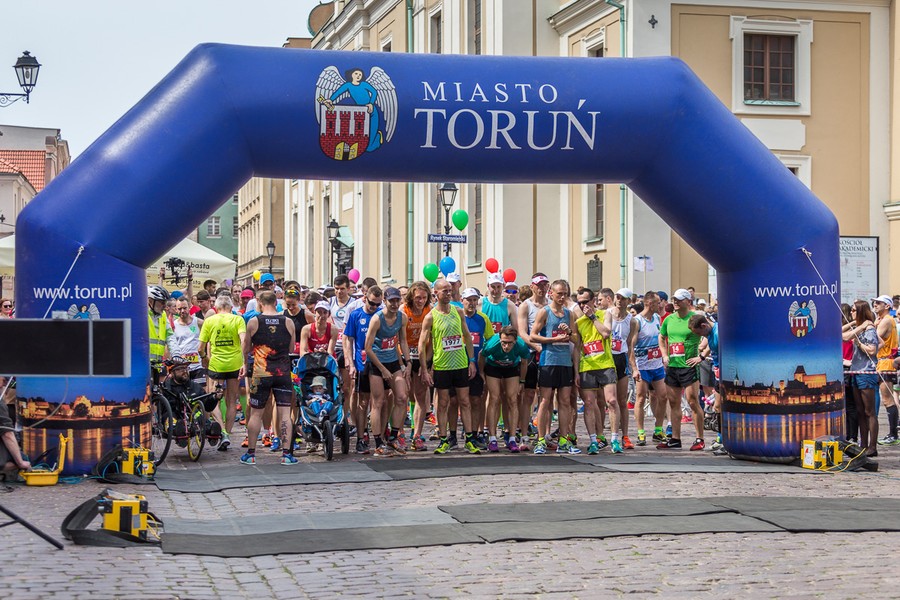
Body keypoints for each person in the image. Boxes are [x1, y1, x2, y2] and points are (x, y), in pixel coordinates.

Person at [419, 279, 480, 454]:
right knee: (443, 403)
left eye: (449, 290)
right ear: (435, 294)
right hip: (442, 366)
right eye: (444, 291)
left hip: (460, 363)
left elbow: (467, 337)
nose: (448, 293)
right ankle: (444, 439)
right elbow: (422, 344)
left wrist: (472, 361)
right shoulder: (430, 317)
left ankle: (469, 439)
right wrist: (424, 369)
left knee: (465, 401)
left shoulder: (458, 311)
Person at [240, 290, 297, 465]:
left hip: (260, 372)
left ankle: (251, 454)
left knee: (256, 414)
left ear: (259, 302)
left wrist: (245, 364)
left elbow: (246, 348)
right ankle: (287, 455)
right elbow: (290, 348)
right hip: (282, 372)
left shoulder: (254, 321)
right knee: (285, 413)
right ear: (276, 302)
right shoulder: (288, 321)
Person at [530, 279, 580, 455]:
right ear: (551, 293)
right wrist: (553, 340)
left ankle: (564, 439)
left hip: (565, 362)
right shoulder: (544, 312)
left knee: (565, 401)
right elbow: (533, 336)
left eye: (565, 293)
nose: (562, 297)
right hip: (548, 360)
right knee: (545, 400)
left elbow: (576, 341)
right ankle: (541, 439)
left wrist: (568, 333)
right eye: (559, 293)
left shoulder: (569, 314)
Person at [364, 286, 411, 457]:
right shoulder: (377, 319)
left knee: (402, 397)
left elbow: (403, 341)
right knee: (379, 401)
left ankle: (393, 437)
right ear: (385, 301)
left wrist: (408, 362)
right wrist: (382, 369)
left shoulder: (402, 317)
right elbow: (367, 348)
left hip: (393, 361)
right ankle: (377, 443)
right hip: (376, 363)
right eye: (391, 301)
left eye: (397, 300)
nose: (394, 304)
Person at [658, 288, 705, 451]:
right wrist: (664, 354)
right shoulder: (669, 319)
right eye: (674, 299)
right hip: (673, 366)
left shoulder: (696, 317)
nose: (675, 302)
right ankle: (675, 439)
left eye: (679, 299)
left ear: (687, 301)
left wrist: (701, 356)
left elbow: (711, 333)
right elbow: (661, 337)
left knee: (693, 401)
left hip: (689, 366)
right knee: (673, 402)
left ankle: (700, 438)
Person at [198, 293, 246, 451]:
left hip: (216, 365)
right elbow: (243, 340)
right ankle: (228, 434)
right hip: (234, 364)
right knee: (232, 401)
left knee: (214, 400)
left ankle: (222, 432)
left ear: (216, 308)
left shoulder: (210, 321)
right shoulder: (238, 319)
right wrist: (243, 360)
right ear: (231, 307)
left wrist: (205, 357)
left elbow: (200, 348)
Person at [573, 288, 617, 454]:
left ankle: (614, 439)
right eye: (580, 302)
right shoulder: (578, 323)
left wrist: (592, 317)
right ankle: (593, 440)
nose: (583, 305)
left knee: (611, 401)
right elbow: (577, 348)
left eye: (586, 301)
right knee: (589, 404)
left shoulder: (605, 314)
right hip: (587, 366)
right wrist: (576, 372)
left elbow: (605, 333)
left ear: (593, 301)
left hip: (605, 365)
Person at [344, 284, 383, 454]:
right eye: (372, 303)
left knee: (380, 401)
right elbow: (347, 339)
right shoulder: (356, 314)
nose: (374, 307)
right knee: (363, 402)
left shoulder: (382, 315)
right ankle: (361, 437)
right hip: (362, 364)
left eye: (377, 304)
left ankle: (380, 436)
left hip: (381, 362)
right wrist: (350, 363)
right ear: (365, 298)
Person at [515, 273, 550, 451]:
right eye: (539, 285)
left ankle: (545, 435)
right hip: (530, 353)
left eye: (545, 284)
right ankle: (524, 435)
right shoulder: (525, 305)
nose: (542, 288)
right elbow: (522, 332)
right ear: (532, 286)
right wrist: (536, 346)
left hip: (550, 354)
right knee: (527, 396)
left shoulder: (551, 304)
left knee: (547, 397)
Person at [843, 300, 880, 457]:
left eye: (853, 310)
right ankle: (863, 444)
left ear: (860, 311)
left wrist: (859, 342)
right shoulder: (861, 327)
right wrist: (857, 323)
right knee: (859, 411)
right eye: (850, 310)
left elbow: (872, 350)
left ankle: (872, 446)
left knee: (869, 411)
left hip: (866, 372)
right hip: (856, 371)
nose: (851, 312)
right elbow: (842, 334)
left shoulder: (870, 329)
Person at [459, 287, 494, 449]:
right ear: (462, 301)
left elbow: (490, 340)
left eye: (475, 300)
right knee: (455, 401)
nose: (472, 303)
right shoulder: (457, 317)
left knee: (475, 400)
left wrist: (483, 361)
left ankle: (474, 434)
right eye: (469, 300)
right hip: (457, 364)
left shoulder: (483, 318)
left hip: (476, 366)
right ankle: (451, 435)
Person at [633, 291, 668, 446]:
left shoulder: (656, 318)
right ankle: (640, 432)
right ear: (648, 303)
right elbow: (630, 346)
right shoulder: (637, 321)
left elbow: (661, 339)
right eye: (657, 302)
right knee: (641, 398)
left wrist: (664, 356)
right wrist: (634, 368)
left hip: (657, 364)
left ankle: (658, 429)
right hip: (642, 365)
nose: (659, 304)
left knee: (663, 396)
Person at [402, 281, 432, 451]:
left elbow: (432, 342)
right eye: (418, 298)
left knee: (421, 396)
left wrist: (425, 364)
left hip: (422, 356)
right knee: (402, 395)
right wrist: (406, 361)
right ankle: (398, 433)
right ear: (411, 297)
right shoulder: (404, 311)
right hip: (405, 354)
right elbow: (401, 338)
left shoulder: (430, 311)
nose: (420, 301)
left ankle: (417, 435)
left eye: (424, 297)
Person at [689, 313, 723, 455]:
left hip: (724, 372)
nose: (699, 336)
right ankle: (721, 439)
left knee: (718, 406)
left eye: (699, 333)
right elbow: (710, 344)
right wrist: (702, 356)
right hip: (717, 371)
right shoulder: (710, 333)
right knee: (717, 407)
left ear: (704, 326)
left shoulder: (719, 331)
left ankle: (723, 440)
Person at [610, 288, 639, 449]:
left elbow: (630, 346)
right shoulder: (607, 314)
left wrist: (633, 367)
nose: (620, 300)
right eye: (618, 297)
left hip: (621, 358)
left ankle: (625, 435)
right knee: (607, 400)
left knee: (622, 400)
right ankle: (602, 435)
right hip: (607, 358)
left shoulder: (632, 321)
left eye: (623, 298)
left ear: (629, 301)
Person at [872, 295, 900, 445]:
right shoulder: (885, 320)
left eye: (879, 303)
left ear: (887, 306)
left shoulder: (887, 320)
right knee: (887, 399)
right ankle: (892, 434)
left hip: (885, 363)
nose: (875, 305)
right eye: (874, 302)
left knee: (888, 400)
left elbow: (872, 339)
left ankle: (893, 435)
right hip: (883, 362)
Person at [171, 297, 205, 382]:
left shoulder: (199, 322)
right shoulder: (173, 326)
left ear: (190, 306)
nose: (182, 311)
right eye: (179, 309)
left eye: (185, 308)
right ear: (176, 309)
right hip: (181, 367)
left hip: (198, 366)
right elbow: (170, 345)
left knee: (200, 392)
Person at [147, 285, 175, 365]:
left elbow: (170, 337)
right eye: (162, 302)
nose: (165, 306)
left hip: (157, 365)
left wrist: (176, 354)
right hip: (143, 365)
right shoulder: (142, 315)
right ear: (150, 301)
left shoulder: (163, 315)